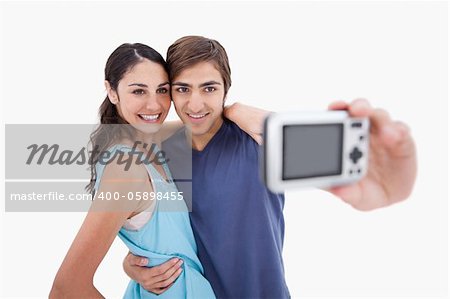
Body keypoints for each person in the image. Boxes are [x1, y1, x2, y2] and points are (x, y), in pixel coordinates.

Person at [122, 36, 417, 298]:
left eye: (209, 88)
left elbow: (345, 168)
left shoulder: (259, 141)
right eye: (183, 89)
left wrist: (386, 180)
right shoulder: (161, 156)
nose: (195, 103)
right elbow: (155, 230)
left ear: (226, 89)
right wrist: (132, 264)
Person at [49, 42, 247, 298]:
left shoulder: (150, 144)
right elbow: (66, 288)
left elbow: (204, 121)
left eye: (162, 90)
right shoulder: (126, 168)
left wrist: (236, 111)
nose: (154, 105)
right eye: (138, 91)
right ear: (112, 91)